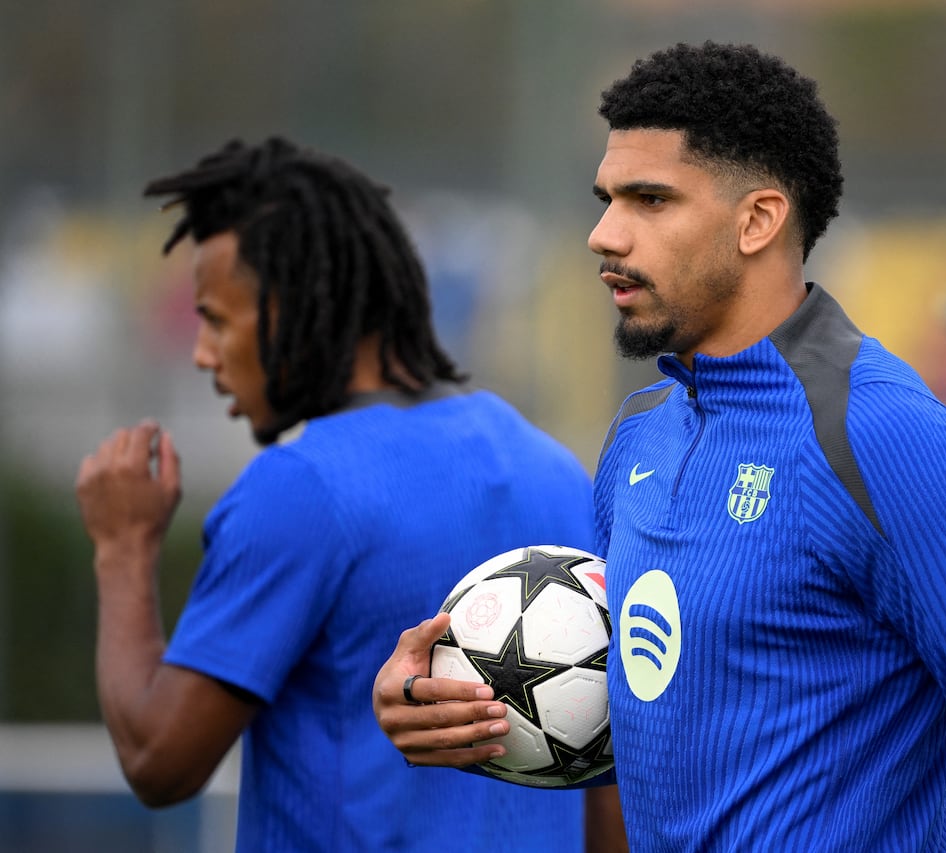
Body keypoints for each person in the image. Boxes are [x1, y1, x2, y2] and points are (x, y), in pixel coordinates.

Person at [372, 42, 946, 851]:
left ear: (758, 219)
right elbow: (671, 739)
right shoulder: (640, 435)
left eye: (649, 200)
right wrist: (469, 708)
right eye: (606, 199)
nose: (603, 233)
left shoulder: (881, 436)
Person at [74, 136, 618, 851]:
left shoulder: (300, 487)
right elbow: (610, 785)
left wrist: (122, 547)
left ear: (288, 306)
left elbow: (159, 760)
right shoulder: (552, 465)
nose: (204, 353)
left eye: (215, 318)